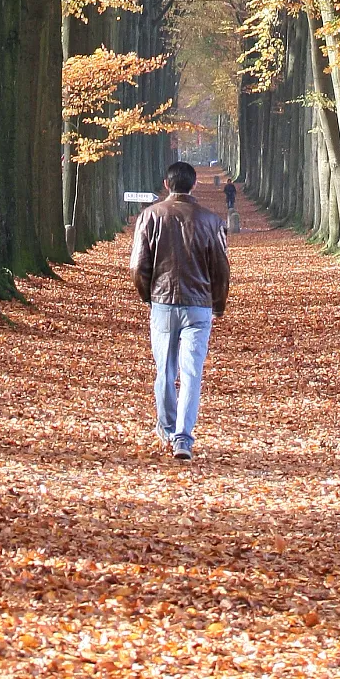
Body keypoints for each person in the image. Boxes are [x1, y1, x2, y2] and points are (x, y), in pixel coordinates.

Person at [128, 160, 230, 462]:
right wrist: (218, 305)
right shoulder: (211, 221)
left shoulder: (150, 216)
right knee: (191, 372)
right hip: (198, 306)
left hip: (163, 304)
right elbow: (221, 269)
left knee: (165, 370)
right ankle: (183, 438)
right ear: (194, 185)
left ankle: (167, 427)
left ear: (166, 184)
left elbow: (137, 266)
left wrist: (148, 297)